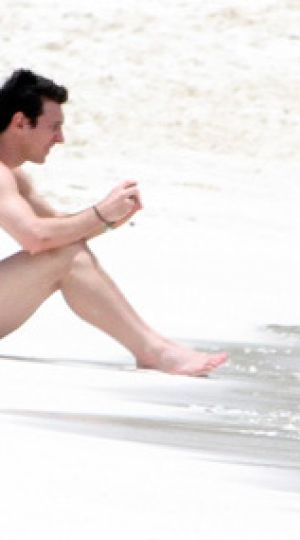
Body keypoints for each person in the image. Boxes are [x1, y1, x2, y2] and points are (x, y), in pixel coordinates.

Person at [0, 68, 227, 376]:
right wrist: (101, 214)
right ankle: (155, 351)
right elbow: (36, 238)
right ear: (20, 122)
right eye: (54, 127)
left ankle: (157, 348)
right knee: (67, 257)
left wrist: (107, 221)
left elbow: (56, 230)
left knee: (69, 252)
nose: (60, 138)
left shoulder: (13, 177)